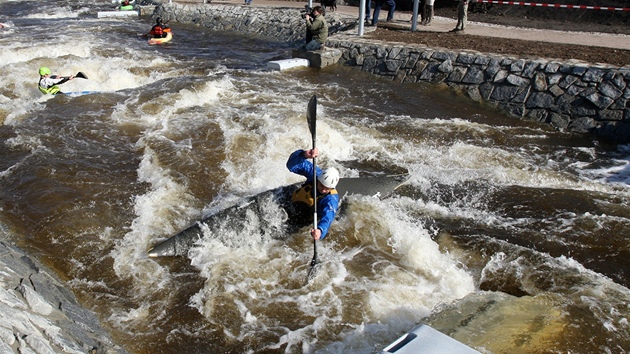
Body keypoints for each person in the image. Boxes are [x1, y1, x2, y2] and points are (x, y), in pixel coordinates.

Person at [286, 148, 340, 241]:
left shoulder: (331, 200)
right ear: (319, 179)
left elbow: (328, 217)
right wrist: (304, 154)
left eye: (327, 188)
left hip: (303, 218)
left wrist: (320, 231)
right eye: (321, 185)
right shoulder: (315, 174)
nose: (323, 190)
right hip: (293, 202)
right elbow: (291, 165)